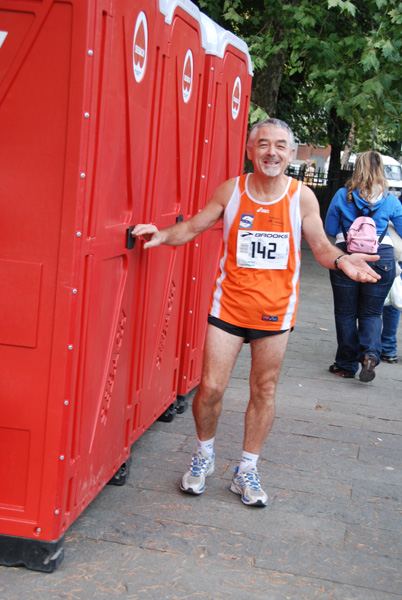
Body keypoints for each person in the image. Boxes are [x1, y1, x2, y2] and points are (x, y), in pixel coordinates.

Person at [132, 119, 380, 508]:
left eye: (281, 145)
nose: (272, 152)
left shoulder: (302, 198)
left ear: (291, 153)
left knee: (263, 390)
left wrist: (343, 259)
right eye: (263, 144)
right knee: (211, 388)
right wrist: (161, 235)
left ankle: (246, 469)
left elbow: (319, 245)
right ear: (250, 150)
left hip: (275, 313)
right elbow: (194, 227)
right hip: (228, 305)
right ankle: (204, 456)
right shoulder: (232, 191)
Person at [324, 150, 402, 382]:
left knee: (346, 313)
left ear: (356, 169)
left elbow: (329, 229)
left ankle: (345, 365)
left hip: (346, 257)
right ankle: (369, 354)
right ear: (381, 171)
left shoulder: (342, 195)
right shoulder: (391, 200)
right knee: (371, 312)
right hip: (382, 259)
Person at [381, 223, 402, 363]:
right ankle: (388, 348)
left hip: (393, 247)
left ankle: (385, 348)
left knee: (393, 299)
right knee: (395, 297)